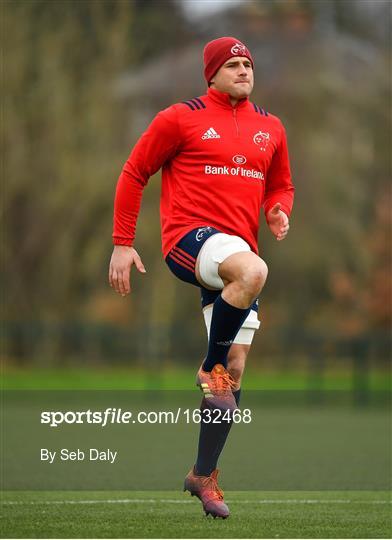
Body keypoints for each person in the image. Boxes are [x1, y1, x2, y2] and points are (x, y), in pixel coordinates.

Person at [109, 36, 294, 519]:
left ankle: (203, 474)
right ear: (210, 74)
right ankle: (206, 368)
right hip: (188, 240)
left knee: (235, 369)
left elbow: (281, 182)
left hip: (234, 256)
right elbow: (134, 172)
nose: (242, 70)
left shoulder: (271, 127)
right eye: (231, 64)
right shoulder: (179, 118)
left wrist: (277, 209)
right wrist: (123, 242)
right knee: (254, 271)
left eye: (247, 64)